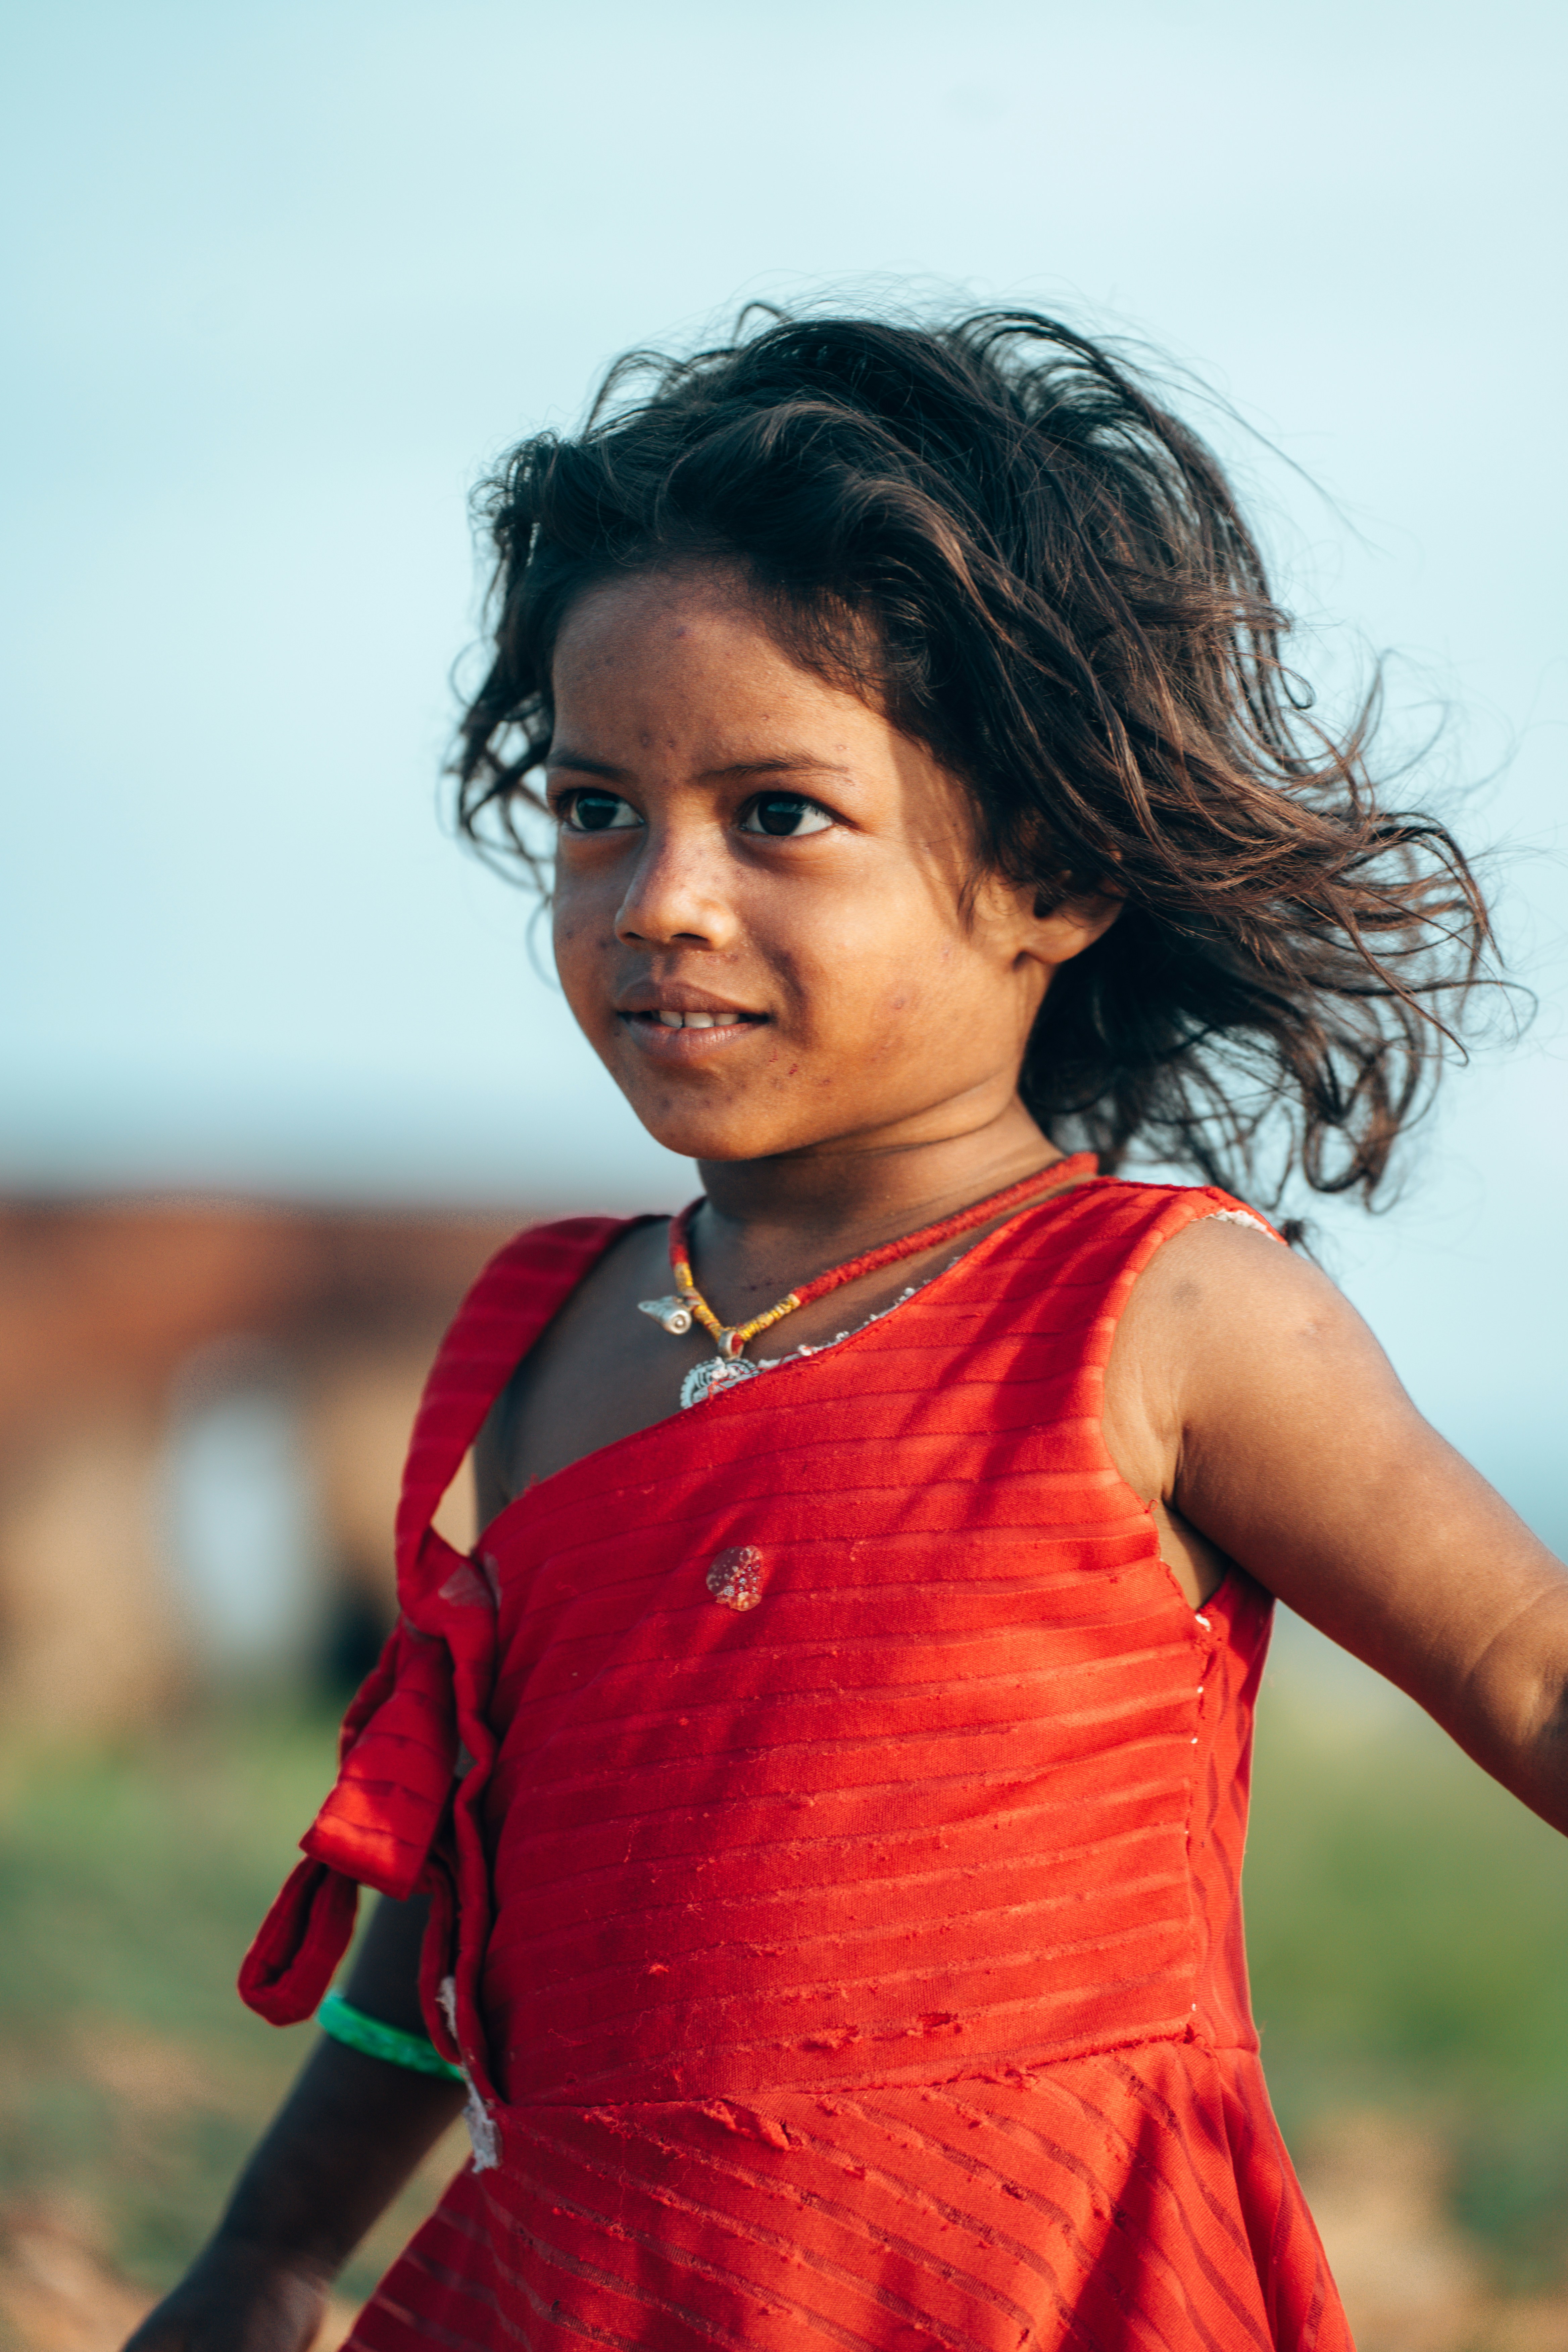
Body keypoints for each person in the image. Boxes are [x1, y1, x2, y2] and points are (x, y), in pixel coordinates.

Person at [126, 309, 1565, 2352]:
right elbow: (461, 1889)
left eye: (778, 815)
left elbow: (1526, 1669)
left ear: (1053, 873)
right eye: (598, 807)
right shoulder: (544, 1338)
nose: (659, 899)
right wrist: (271, 2254)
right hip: (586, 2289)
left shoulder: (1157, 1313)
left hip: (1026, 2282)